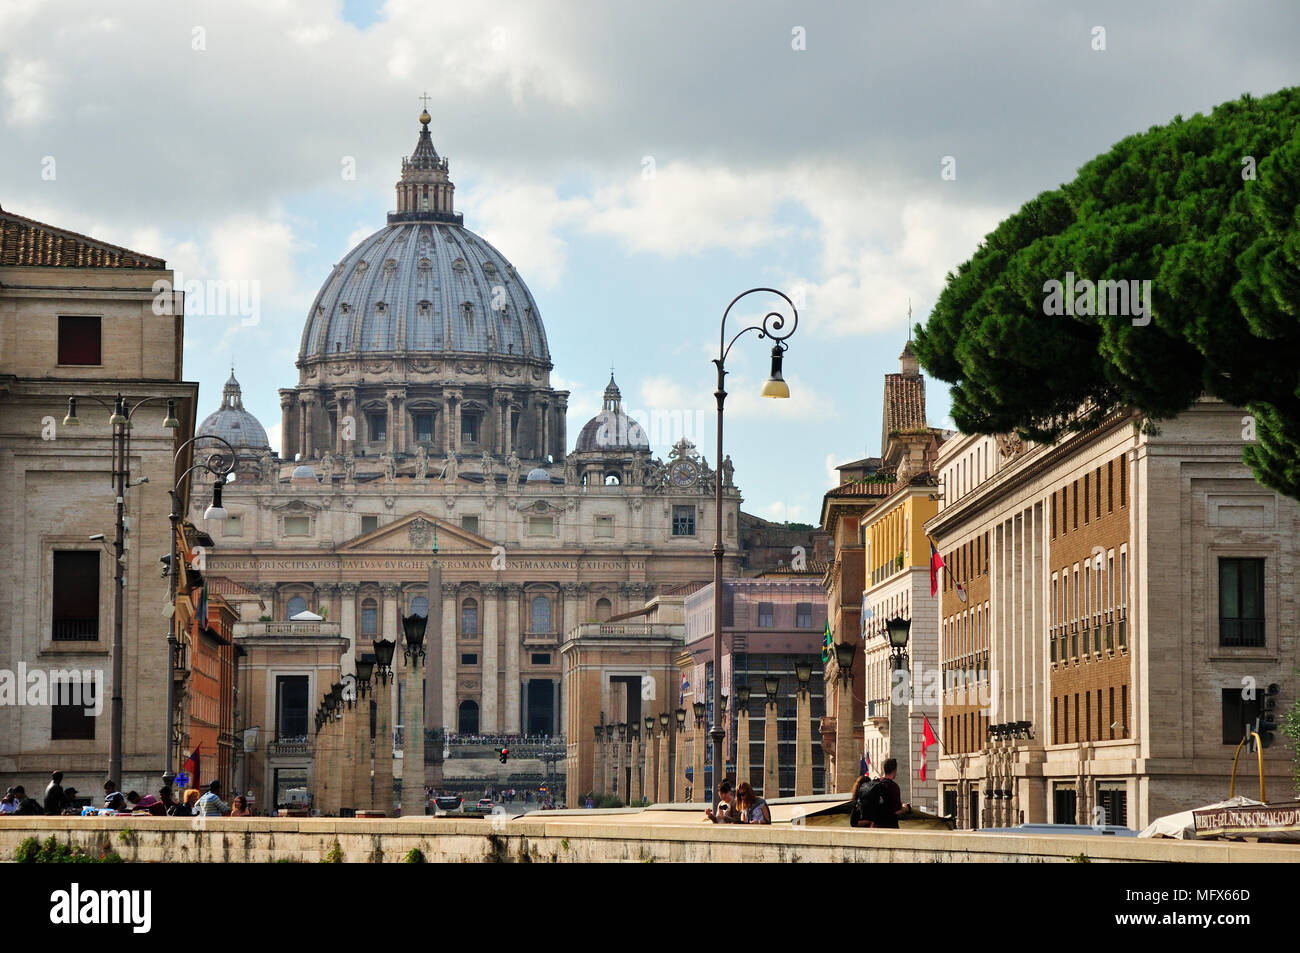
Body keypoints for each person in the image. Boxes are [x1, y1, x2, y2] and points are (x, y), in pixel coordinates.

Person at [866, 757, 910, 829]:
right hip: (889, 827)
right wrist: (906, 808)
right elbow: (897, 811)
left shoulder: (875, 783)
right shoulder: (893, 786)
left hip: (874, 827)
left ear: (884, 769)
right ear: (895, 770)